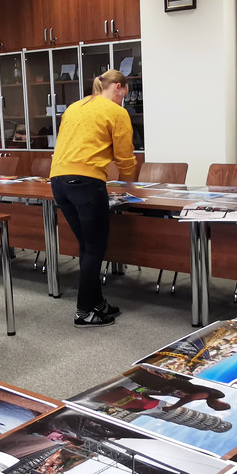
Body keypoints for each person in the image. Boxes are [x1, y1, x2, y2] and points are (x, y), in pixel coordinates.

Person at [49, 69, 137, 326]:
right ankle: (84, 311)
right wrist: (131, 184)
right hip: (86, 183)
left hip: (59, 181)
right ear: (117, 87)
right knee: (95, 247)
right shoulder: (116, 112)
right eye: (124, 95)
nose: (123, 101)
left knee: (87, 246)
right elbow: (124, 156)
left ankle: (97, 303)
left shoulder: (73, 107)